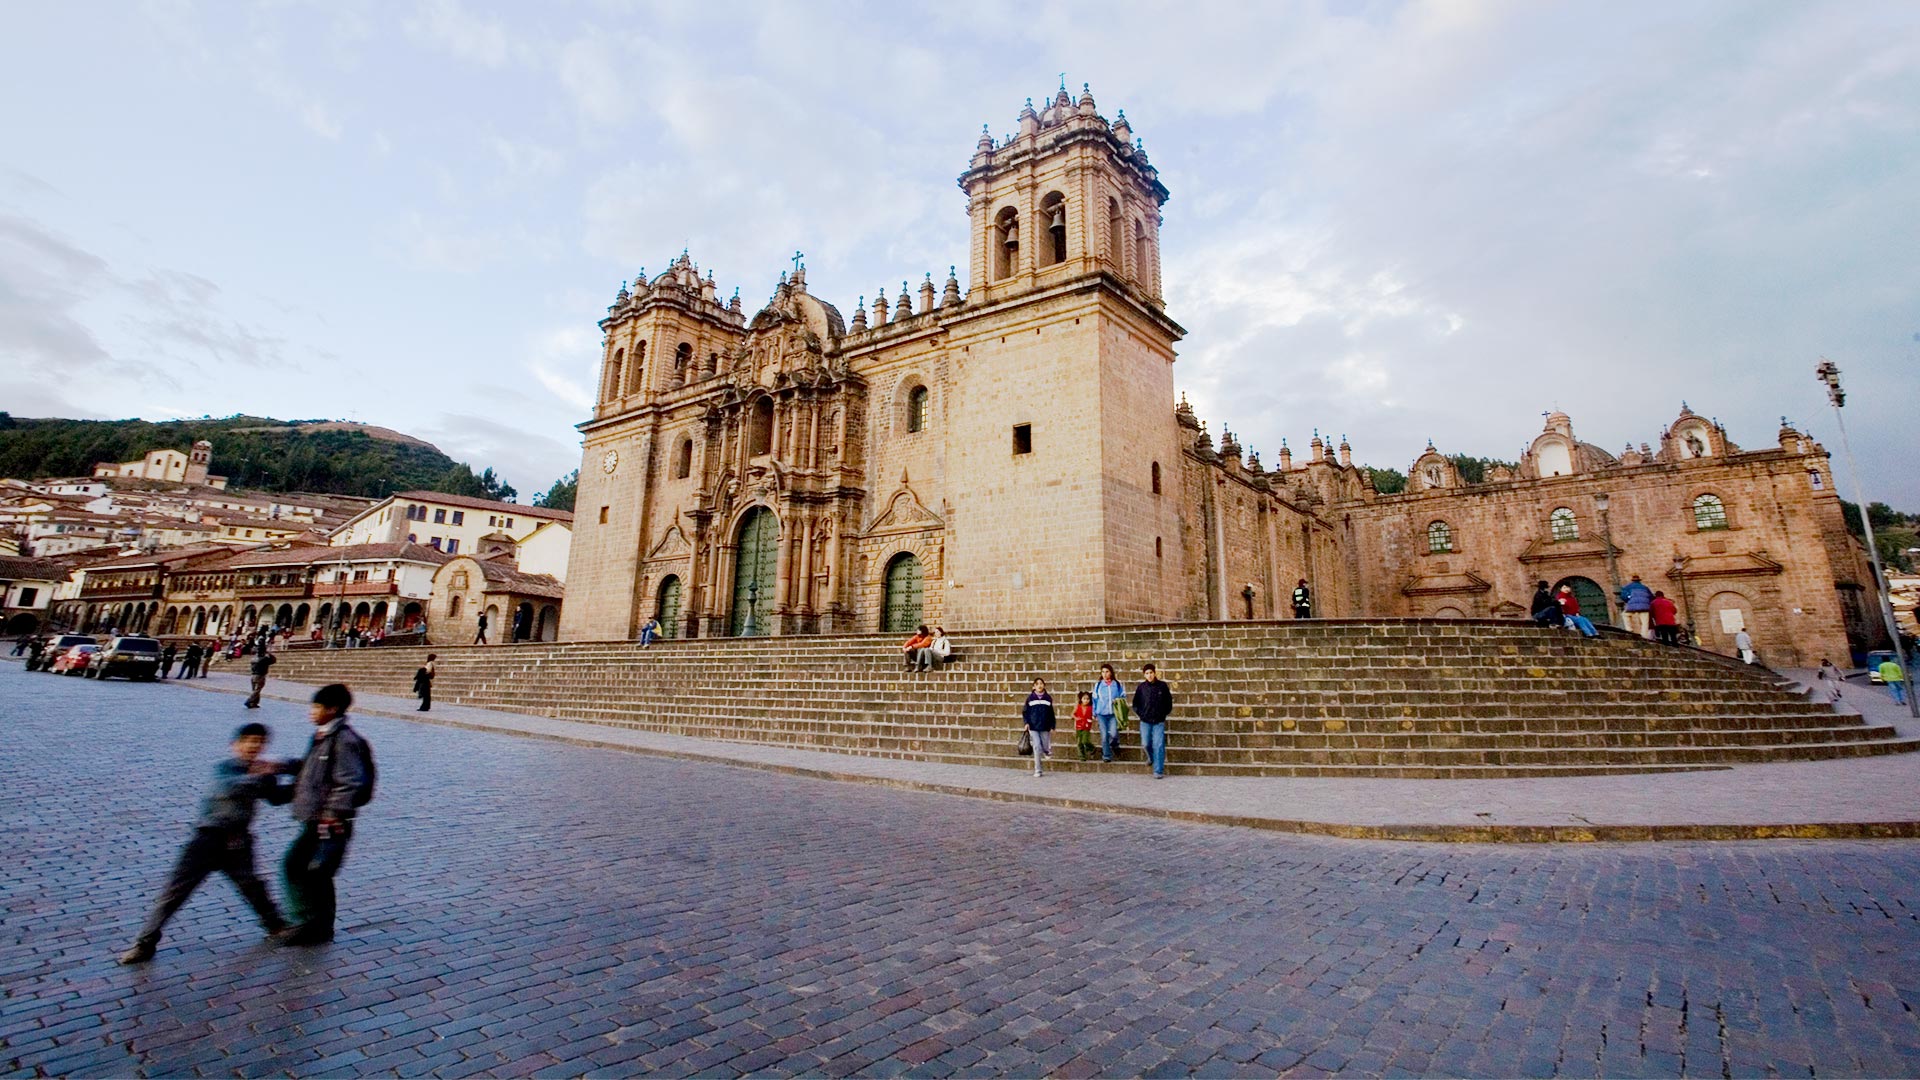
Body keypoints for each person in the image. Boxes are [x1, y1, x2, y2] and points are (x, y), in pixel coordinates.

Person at [117, 722, 292, 964]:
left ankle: (275, 924)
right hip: (206, 841)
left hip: (239, 842)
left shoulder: (261, 773)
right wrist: (263, 775)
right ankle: (144, 943)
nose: (254, 746)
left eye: (259, 742)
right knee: (174, 892)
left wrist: (306, 783)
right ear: (235, 745)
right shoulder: (224, 769)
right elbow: (229, 788)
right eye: (249, 741)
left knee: (252, 885)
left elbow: (278, 797)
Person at [278, 683, 375, 947]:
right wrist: (279, 766)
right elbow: (308, 767)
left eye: (317, 707)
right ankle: (317, 926)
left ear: (333, 709)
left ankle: (308, 924)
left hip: (329, 821)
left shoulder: (344, 740)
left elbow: (350, 781)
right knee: (314, 871)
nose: (311, 712)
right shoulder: (322, 735)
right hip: (316, 817)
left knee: (300, 867)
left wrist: (333, 813)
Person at [1133, 663, 1174, 779]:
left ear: (1155, 673)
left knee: (1159, 745)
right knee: (1145, 743)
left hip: (1158, 720)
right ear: (1144, 675)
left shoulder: (1162, 686)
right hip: (1145, 720)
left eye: (1151, 672)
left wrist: (1163, 714)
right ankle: (1151, 757)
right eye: (1147, 673)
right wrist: (1141, 713)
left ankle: (1158, 770)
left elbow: (1168, 702)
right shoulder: (1141, 687)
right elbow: (1135, 703)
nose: (1149, 675)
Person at [1090, 663, 1125, 763]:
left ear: (1111, 673)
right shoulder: (1098, 685)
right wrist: (1094, 712)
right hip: (1101, 713)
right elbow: (1094, 699)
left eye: (1107, 672)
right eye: (1103, 672)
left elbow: (1123, 697)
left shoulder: (1117, 685)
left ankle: (1114, 745)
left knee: (1114, 734)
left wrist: (1118, 701)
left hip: (1113, 713)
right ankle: (1106, 755)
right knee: (1104, 735)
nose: (1105, 674)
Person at [1023, 678, 1056, 777]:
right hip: (1033, 726)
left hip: (1045, 726)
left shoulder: (1048, 698)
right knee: (1037, 746)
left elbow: (1051, 713)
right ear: (1034, 686)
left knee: (1044, 745)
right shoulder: (1030, 698)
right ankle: (1038, 769)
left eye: (1041, 683)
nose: (1039, 685)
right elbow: (1025, 712)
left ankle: (1046, 751)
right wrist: (1026, 723)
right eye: (1037, 684)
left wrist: (1053, 725)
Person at [1072, 691, 1095, 760]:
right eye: (1084, 699)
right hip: (1078, 726)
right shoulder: (1078, 706)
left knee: (1085, 740)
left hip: (1086, 727)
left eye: (1088, 699)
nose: (1086, 700)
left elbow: (1093, 715)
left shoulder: (1091, 708)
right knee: (1079, 743)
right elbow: (1072, 714)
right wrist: (1076, 718)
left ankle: (1091, 748)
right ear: (1081, 699)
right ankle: (1081, 756)